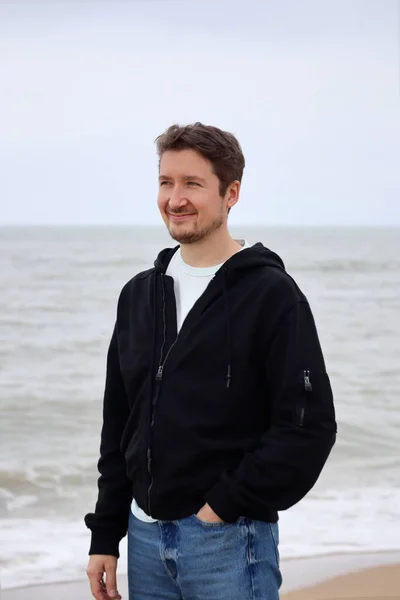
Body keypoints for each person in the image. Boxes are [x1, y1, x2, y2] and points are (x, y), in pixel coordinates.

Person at [84, 122, 337, 600]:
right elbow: (119, 424)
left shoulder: (271, 295)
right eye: (166, 182)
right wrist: (105, 533)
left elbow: (308, 426)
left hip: (228, 541)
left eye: (192, 184)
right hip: (142, 538)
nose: (175, 198)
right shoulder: (140, 294)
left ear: (231, 193)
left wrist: (222, 505)